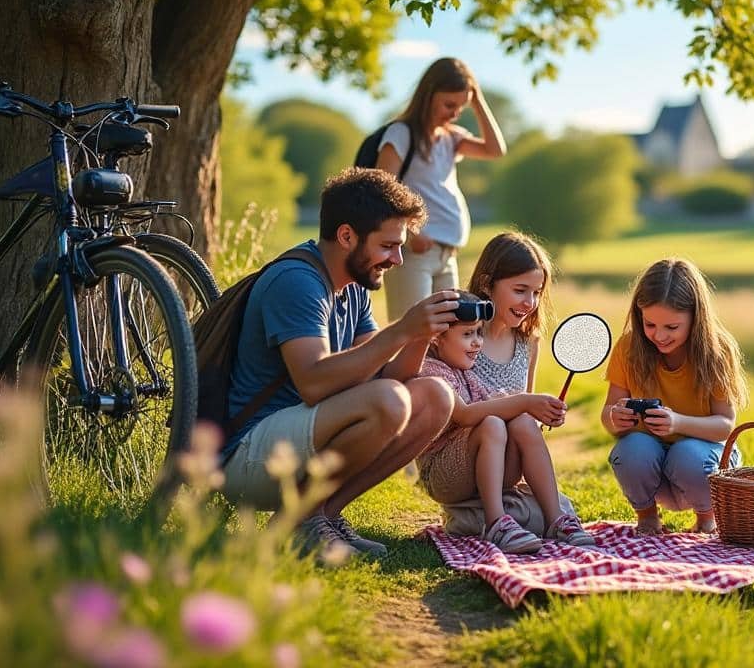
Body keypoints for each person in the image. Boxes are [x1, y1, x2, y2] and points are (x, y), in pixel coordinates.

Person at [220, 167, 460, 560]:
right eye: (388, 246)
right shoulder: (297, 280)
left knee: (435, 395)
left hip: (301, 437)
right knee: (388, 401)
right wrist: (401, 330)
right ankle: (299, 522)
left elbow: (385, 377)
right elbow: (313, 381)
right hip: (249, 454)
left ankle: (321, 515)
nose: (398, 259)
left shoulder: (352, 287)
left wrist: (421, 335)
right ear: (347, 236)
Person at [416, 293, 595, 553]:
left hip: (481, 470)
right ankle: (496, 522)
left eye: (479, 333)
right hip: (442, 476)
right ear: (436, 337)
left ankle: (556, 518)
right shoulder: (431, 370)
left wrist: (536, 411)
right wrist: (523, 401)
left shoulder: (467, 372)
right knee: (492, 424)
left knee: (522, 421)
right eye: (468, 335)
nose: (477, 343)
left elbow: (501, 407)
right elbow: (465, 415)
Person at [599, 258, 750, 535]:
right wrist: (614, 417)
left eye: (672, 327)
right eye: (650, 324)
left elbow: (725, 425)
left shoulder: (716, 351)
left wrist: (677, 423)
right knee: (630, 450)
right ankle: (647, 517)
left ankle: (707, 518)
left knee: (686, 454)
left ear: (696, 318)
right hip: (652, 468)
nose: (659, 336)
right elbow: (607, 415)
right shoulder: (629, 348)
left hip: (703, 465)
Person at [376, 57, 507, 322]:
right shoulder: (402, 134)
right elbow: (380, 188)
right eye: (449, 105)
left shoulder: (451, 138)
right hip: (415, 253)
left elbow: (495, 150)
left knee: (447, 334)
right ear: (428, 96)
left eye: (460, 107)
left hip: (448, 254)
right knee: (412, 333)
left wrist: (478, 99)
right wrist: (411, 234)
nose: (454, 113)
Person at [465, 231, 554, 395]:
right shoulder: (457, 336)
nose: (530, 303)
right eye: (520, 290)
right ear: (486, 284)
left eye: (536, 293)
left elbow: (527, 408)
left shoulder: (529, 342)